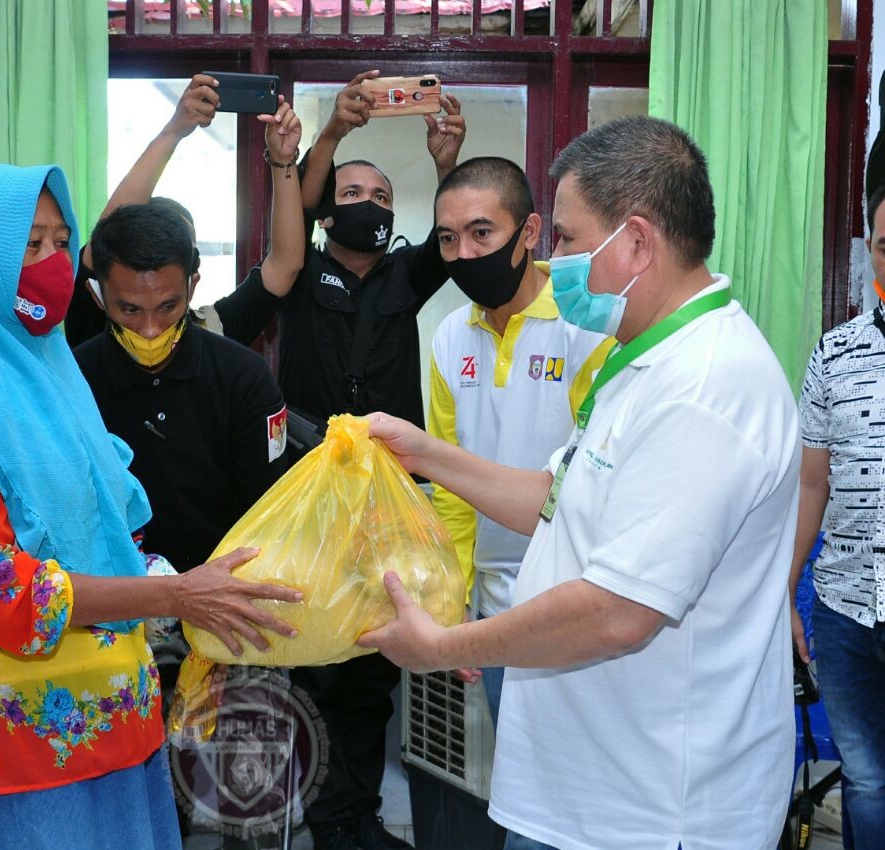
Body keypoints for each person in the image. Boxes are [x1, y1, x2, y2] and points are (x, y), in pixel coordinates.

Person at [360, 116, 800, 850]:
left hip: (654, 809)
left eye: (565, 237)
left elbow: (617, 612)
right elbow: (557, 503)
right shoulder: (646, 361)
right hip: (590, 790)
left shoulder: (705, 389)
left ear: (634, 242)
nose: (554, 259)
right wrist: (423, 452)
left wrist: (443, 644)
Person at [0, 162, 303, 847]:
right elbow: (2, 592)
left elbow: (102, 531)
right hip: (7, 741)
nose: (51, 263)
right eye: (28, 245)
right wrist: (174, 597)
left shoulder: (51, 372)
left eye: (60, 241)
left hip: (112, 720)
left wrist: (165, 580)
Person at [269, 69, 465, 850]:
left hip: (388, 494)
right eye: (353, 195)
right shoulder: (295, 272)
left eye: (383, 198)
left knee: (373, 661)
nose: (370, 207)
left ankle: (356, 818)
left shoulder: (405, 274)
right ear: (325, 212)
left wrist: (447, 163)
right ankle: (319, 820)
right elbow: (301, 202)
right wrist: (333, 136)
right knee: (313, 659)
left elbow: (458, 241)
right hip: (310, 489)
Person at [75, 98, 301, 574]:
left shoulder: (242, 376)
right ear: (100, 295)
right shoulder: (73, 379)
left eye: (168, 307)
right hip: (109, 606)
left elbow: (266, 519)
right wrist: (173, 131)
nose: (150, 329)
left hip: (219, 600)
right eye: (129, 309)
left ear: (192, 285)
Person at [427, 157, 614, 723]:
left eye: (482, 233)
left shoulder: (589, 326)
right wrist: (454, 598)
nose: (464, 255)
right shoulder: (449, 336)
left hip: (576, 603)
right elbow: (451, 484)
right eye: (448, 239)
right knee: (513, 791)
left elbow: (593, 484)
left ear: (529, 233)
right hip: (494, 608)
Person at [65, 75, 305, 348]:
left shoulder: (213, 329)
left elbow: (285, 265)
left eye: (185, 245)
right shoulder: (98, 316)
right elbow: (105, 242)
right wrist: (174, 131)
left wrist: (283, 159)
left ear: (194, 277)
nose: (151, 330)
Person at [789, 185, 885, 844]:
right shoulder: (834, 353)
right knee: (868, 780)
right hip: (846, 610)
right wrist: (783, 590)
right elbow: (810, 485)